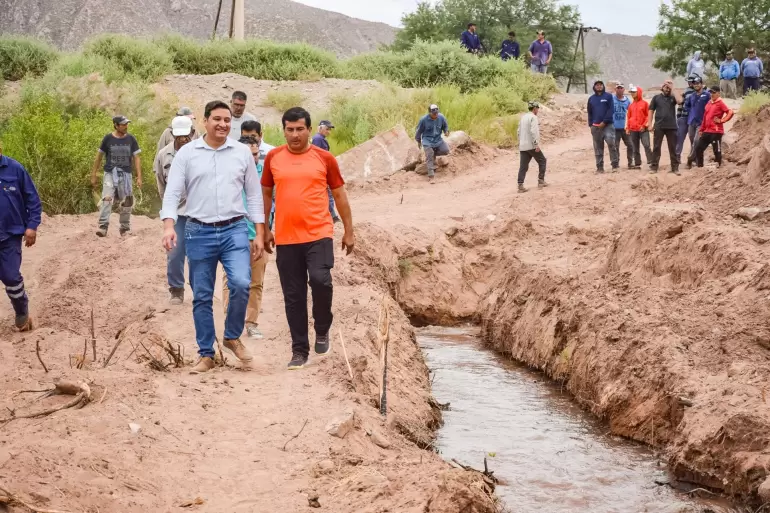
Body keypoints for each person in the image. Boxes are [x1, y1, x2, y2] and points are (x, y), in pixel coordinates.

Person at [161, 100, 265, 374]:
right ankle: (206, 354)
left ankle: (232, 336)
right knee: (202, 296)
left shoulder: (241, 152)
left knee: (242, 283)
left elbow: (254, 196)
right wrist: (169, 226)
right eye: (217, 119)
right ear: (204, 122)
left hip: (234, 229)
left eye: (227, 120)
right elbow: (171, 193)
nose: (222, 124)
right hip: (198, 230)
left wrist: (260, 232)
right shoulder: (188, 154)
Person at [261, 107, 355, 370]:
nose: (295, 135)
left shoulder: (325, 159)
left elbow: (340, 196)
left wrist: (349, 230)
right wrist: (264, 229)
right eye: (289, 129)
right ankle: (299, 350)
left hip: (319, 233)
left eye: (300, 129)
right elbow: (266, 195)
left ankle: (322, 327)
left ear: (309, 130)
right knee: (293, 295)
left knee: (320, 280)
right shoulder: (273, 158)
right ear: (283, 131)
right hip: (287, 238)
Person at [221, 120, 275, 340]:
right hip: (233, 235)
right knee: (231, 280)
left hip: (258, 235)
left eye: (255, 155)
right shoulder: (227, 175)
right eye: (248, 155)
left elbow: (271, 205)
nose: (252, 159)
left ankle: (251, 322)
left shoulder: (265, 176)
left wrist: (268, 231)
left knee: (256, 282)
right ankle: (229, 320)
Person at [154, 116, 195, 305]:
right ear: (173, 135)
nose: (183, 139)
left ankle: (199, 288)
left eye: (186, 135)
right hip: (176, 212)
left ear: (192, 133)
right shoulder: (163, 155)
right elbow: (161, 184)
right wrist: (167, 211)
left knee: (198, 253)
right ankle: (176, 289)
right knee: (175, 252)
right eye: (179, 136)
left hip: (197, 212)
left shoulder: (200, 152)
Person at [0, 143, 41, 331]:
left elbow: (32, 198)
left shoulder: (15, 169)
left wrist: (32, 226)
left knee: (10, 276)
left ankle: (22, 311)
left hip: (9, 234)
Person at [91, 115, 142, 237]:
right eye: (123, 124)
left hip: (126, 174)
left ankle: (124, 228)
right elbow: (99, 157)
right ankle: (103, 227)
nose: (126, 126)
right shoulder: (108, 139)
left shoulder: (131, 139)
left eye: (126, 124)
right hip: (110, 173)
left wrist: (139, 176)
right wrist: (93, 174)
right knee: (107, 198)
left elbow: (137, 158)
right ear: (116, 125)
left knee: (127, 201)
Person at [648, 80, 683, 175]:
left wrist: (673, 88)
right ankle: (654, 167)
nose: (667, 89)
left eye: (669, 87)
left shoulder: (673, 97)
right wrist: (649, 124)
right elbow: (651, 110)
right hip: (659, 126)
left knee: (673, 148)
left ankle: (675, 168)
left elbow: (680, 101)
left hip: (671, 126)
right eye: (666, 87)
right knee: (656, 147)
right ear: (662, 87)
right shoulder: (656, 98)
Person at [694, 85, 733, 168]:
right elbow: (705, 116)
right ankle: (700, 167)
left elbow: (730, 112)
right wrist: (702, 129)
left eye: (714, 93)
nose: (712, 94)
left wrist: (722, 120)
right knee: (698, 148)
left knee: (717, 150)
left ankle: (719, 167)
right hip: (707, 131)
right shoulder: (709, 102)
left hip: (716, 131)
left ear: (718, 93)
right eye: (711, 92)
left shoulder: (720, 103)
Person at [311, 120, 341, 223]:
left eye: (329, 129)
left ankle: (330, 216)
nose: (329, 132)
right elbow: (318, 156)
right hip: (322, 171)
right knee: (328, 194)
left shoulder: (318, 139)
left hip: (321, 170)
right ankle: (332, 217)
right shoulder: (318, 139)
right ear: (320, 128)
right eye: (327, 129)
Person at [587, 80, 618, 173]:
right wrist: (591, 125)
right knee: (598, 147)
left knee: (611, 143)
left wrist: (604, 122)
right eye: (597, 85)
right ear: (594, 87)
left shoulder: (608, 96)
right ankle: (600, 168)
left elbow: (611, 110)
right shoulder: (591, 99)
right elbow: (590, 112)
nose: (599, 86)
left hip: (608, 125)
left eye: (600, 85)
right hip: (595, 127)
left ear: (603, 86)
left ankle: (615, 166)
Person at [516, 101, 547, 192]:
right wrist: (536, 144)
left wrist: (521, 142)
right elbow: (534, 132)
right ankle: (541, 181)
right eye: (537, 109)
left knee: (523, 166)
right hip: (531, 145)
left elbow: (518, 132)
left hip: (523, 145)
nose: (538, 110)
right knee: (542, 160)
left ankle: (520, 185)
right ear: (534, 109)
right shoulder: (533, 117)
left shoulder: (523, 117)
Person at [415, 104, 450, 183]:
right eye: (434, 114)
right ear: (429, 113)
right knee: (430, 154)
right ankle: (431, 176)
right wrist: (418, 141)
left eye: (437, 113)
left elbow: (445, 126)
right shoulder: (423, 120)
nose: (436, 115)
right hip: (427, 140)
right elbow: (418, 131)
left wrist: (446, 131)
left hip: (438, 140)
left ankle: (432, 154)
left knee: (446, 150)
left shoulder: (441, 117)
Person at [684, 75, 711, 168]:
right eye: (694, 84)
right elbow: (686, 105)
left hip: (701, 122)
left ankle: (690, 159)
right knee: (692, 142)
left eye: (698, 83)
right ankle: (696, 160)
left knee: (696, 141)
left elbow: (711, 106)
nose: (696, 85)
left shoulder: (707, 95)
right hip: (691, 122)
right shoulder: (692, 96)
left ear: (701, 84)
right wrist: (690, 112)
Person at [625, 85, 653, 169]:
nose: (632, 94)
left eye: (634, 92)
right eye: (631, 92)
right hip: (633, 129)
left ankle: (651, 161)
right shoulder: (631, 105)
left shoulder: (645, 104)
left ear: (639, 92)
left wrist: (644, 125)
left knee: (646, 145)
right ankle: (637, 163)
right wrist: (628, 128)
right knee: (635, 147)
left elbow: (648, 116)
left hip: (643, 129)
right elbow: (629, 117)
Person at [675, 75, 697, 163]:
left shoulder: (700, 92)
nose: (690, 83)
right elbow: (680, 104)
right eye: (689, 81)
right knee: (679, 138)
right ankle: (677, 157)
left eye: (692, 81)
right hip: (684, 117)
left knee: (694, 139)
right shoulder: (686, 91)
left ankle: (693, 158)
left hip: (694, 118)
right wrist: (678, 117)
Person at [612, 83, 633, 169]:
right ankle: (616, 164)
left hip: (625, 128)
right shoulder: (611, 99)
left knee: (630, 145)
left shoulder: (628, 101)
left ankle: (631, 163)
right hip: (614, 128)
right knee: (615, 146)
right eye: (618, 88)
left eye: (621, 88)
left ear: (624, 90)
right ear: (615, 89)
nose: (619, 89)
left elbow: (631, 113)